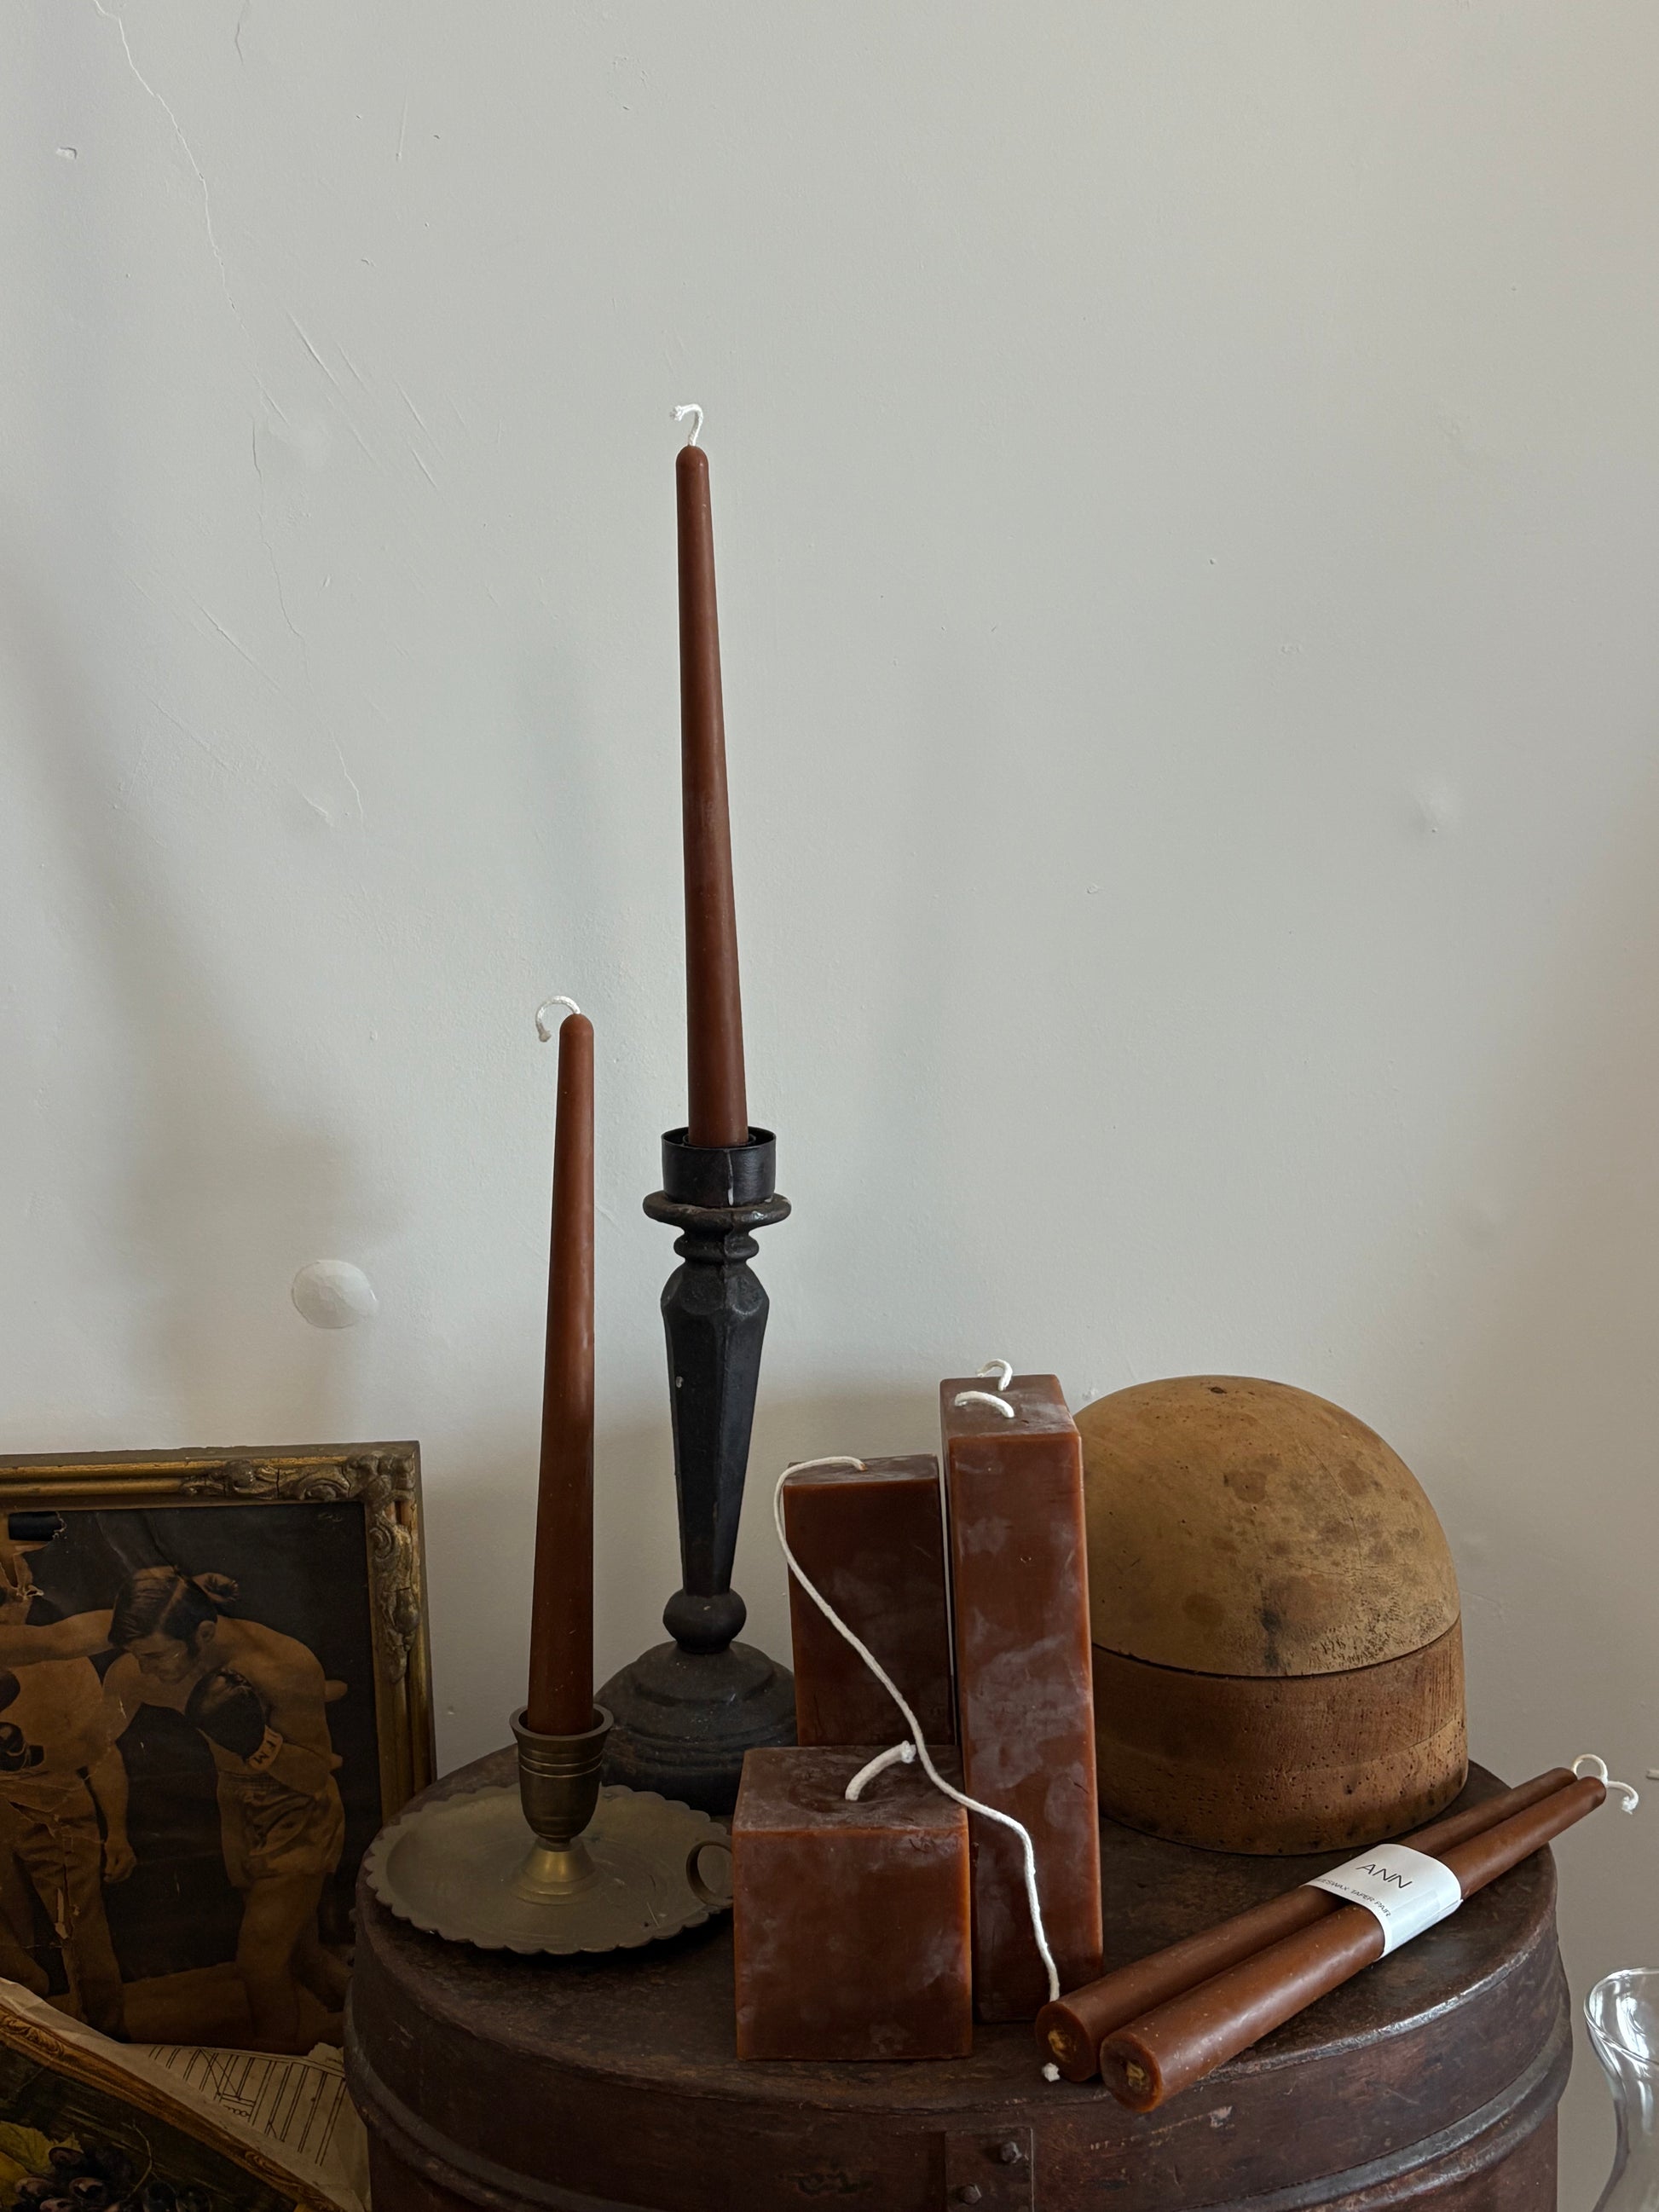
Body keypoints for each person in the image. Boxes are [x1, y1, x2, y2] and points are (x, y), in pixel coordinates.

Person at [104, 1568, 347, 2053]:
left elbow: (313, 1775)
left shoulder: (282, 1664)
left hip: (297, 1810)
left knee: (259, 1962)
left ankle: (274, 2081)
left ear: (203, 1635)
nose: (144, 1671)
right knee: (299, 1958)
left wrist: (258, 1742)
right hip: (234, 1806)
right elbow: (94, 1742)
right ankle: (382, 2031)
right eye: (137, 1656)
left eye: (154, 1656)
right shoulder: (146, 1661)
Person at [0, 1525, 132, 2035]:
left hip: (55, 1804)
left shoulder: (64, 1660)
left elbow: (100, 1749)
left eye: (13, 1594)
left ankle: (106, 2042)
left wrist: (117, 1832)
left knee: (81, 1927)